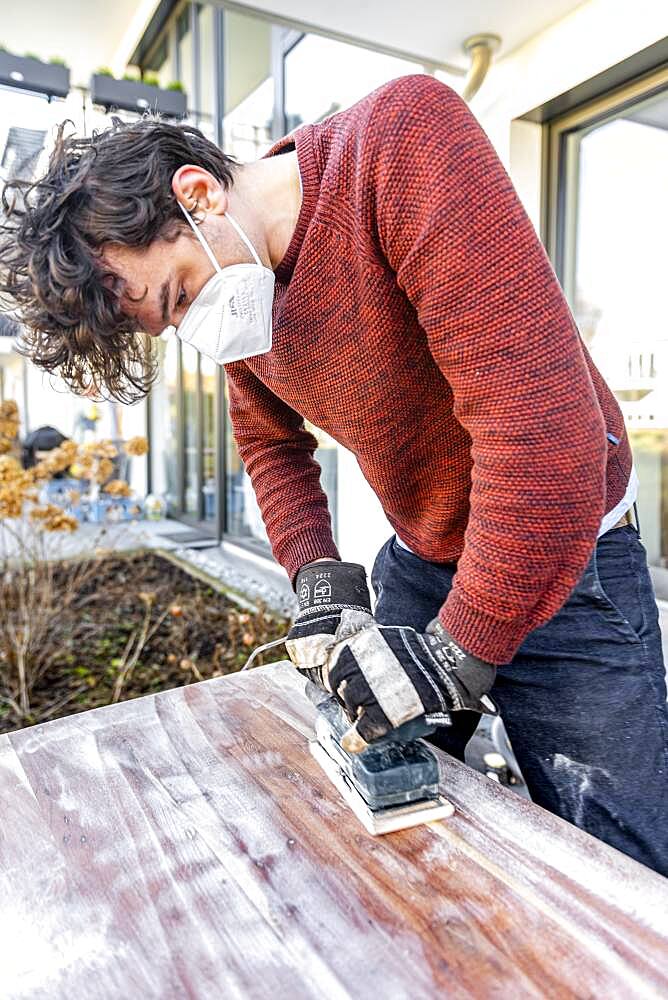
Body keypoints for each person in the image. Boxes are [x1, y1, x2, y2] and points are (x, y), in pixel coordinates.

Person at [1, 74, 665, 875]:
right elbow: (272, 445)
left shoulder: (400, 145)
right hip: (426, 555)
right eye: (168, 322)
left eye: (178, 296)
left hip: (571, 562)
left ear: (200, 193)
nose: (193, 325)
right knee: (394, 805)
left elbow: (546, 440)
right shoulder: (240, 290)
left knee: (620, 862)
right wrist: (319, 579)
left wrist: (461, 649)